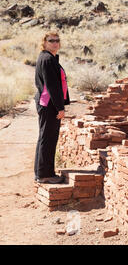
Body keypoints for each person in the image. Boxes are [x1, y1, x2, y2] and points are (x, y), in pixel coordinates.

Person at [34, 32, 70, 184]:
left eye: (57, 40)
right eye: (51, 41)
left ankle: (41, 172)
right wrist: (60, 108)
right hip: (49, 105)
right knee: (48, 139)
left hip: (47, 103)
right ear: (45, 43)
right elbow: (52, 86)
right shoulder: (48, 59)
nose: (55, 43)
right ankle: (45, 175)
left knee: (45, 138)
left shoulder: (49, 57)